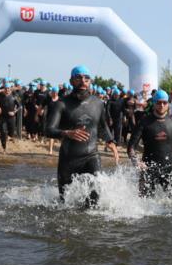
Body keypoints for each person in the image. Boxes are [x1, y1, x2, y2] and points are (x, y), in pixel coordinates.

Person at [45, 65, 119, 205]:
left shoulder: (98, 103)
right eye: (78, 77)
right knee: (64, 203)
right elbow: (48, 130)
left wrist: (110, 141)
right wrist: (67, 133)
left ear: (90, 82)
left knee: (94, 197)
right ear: (71, 81)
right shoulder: (61, 104)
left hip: (91, 156)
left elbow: (103, 126)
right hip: (68, 159)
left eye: (86, 78)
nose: (83, 81)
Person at [127, 90, 172, 197]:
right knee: (145, 205)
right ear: (154, 104)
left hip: (169, 168)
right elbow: (131, 146)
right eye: (158, 102)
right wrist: (136, 161)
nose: (162, 105)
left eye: (164, 102)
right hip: (148, 169)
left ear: (168, 104)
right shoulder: (144, 122)